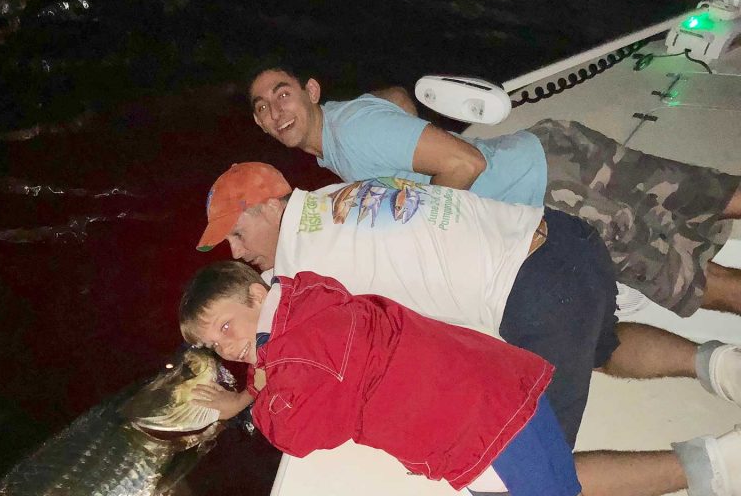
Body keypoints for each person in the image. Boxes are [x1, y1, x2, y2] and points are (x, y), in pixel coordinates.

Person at [179, 260, 739, 496]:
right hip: (508, 386)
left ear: (258, 297)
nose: (226, 348)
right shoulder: (309, 294)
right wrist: (254, 381)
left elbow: (295, 431)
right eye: (212, 344)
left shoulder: (298, 356)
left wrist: (250, 400)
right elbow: (297, 365)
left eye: (226, 328)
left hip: (480, 436)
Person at [194, 161, 741, 496]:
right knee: (602, 344)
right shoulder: (337, 195)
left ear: (271, 204)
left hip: (536, 293)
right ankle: (723, 366)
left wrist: (243, 402)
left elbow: (292, 362)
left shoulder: (305, 266)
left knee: (525, 487)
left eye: (238, 233)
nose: (237, 252)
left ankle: (721, 464)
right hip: (564, 240)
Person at [247, 66, 741, 319]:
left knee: (685, 279)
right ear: (260, 124)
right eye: (262, 107)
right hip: (550, 152)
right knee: (703, 194)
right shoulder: (340, 130)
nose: (275, 110)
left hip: (554, 192)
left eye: (283, 94)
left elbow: (466, 163)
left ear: (311, 91)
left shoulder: (352, 134)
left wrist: (416, 232)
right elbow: (396, 98)